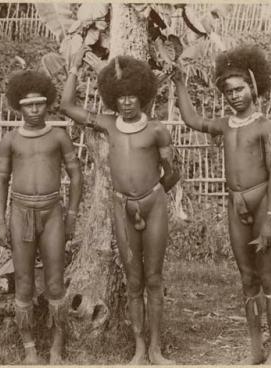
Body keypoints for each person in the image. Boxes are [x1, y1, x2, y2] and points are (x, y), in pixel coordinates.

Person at [60, 48, 180, 365]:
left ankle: (156, 349)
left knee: (154, 279)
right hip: (121, 208)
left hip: (153, 207)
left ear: (143, 96)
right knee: (134, 281)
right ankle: (139, 349)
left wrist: (151, 195)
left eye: (132, 96)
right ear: (113, 98)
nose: (126, 102)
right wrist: (73, 69)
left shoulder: (157, 130)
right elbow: (67, 106)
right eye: (121, 97)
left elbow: (173, 173)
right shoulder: (108, 124)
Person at [172, 45, 271, 365]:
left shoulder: (265, 126)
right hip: (236, 207)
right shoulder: (224, 125)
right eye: (228, 91)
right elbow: (192, 120)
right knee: (247, 277)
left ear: (253, 86)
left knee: (269, 278)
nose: (234, 95)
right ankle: (255, 348)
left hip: (263, 203)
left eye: (239, 89)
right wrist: (179, 83)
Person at [0, 70, 83, 364]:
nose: (34, 110)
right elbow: (1, 179)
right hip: (20, 212)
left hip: (52, 212)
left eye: (39, 104)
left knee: (55, 283)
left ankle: (57, 346)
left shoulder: (59, 136)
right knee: (24, 282)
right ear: (18, 106)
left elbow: (75, 175)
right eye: (28, 105)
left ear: (48, 104)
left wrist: (71, 215)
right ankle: (29, 347)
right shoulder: (10, 140)